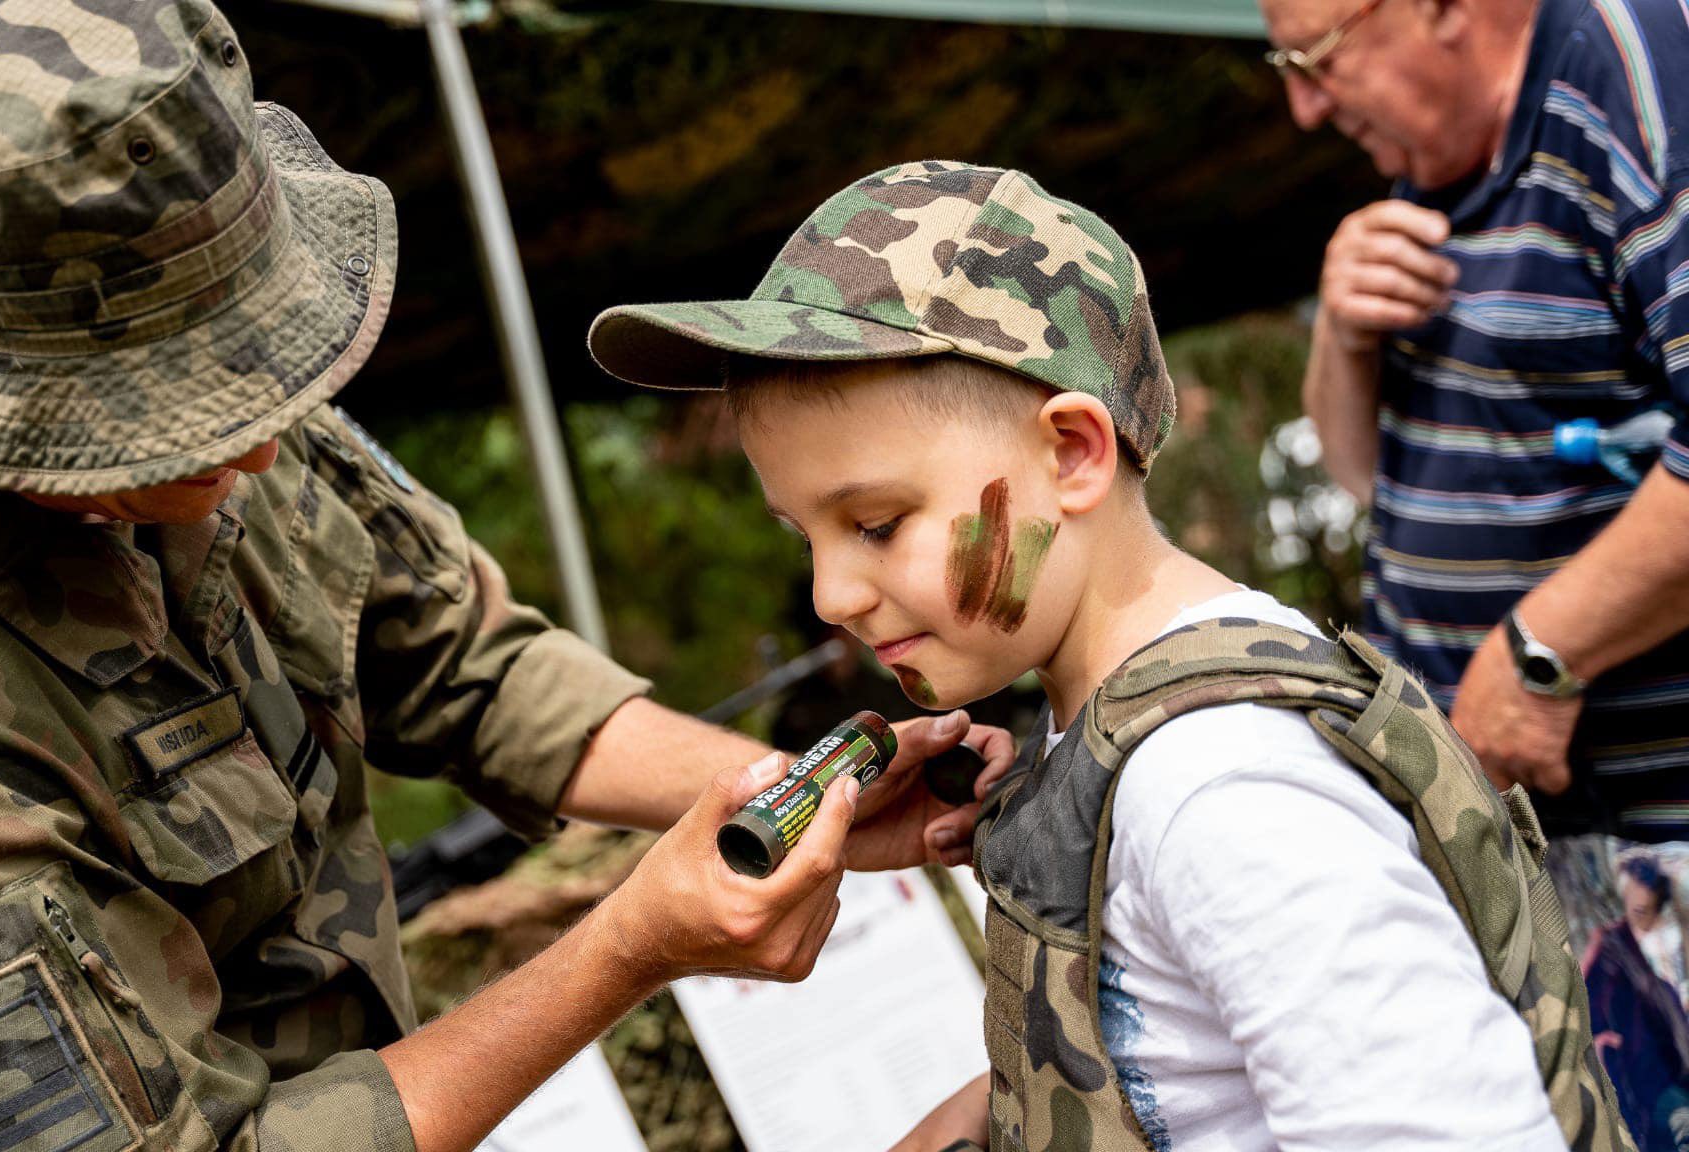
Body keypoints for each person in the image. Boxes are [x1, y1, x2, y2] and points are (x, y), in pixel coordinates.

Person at [0, 5, 1007, 1151]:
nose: (253, 444)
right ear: (5, 410)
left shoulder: (223, 419)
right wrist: (624, 947)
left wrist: (778, 798)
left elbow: (464, 662)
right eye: (174, 414)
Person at [589, 161, 1625, 1151]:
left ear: (1072, 453)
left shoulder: (1222, 790)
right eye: (800, 536)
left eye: (873, 523)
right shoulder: (1115, 733)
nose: (829, 595)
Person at [1255, 0, 1689, 839]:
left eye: (1318, 60)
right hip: (1533, 838)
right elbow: (1368, 479)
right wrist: (1343, 341)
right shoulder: (1439, 149)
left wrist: (1539, 655)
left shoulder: (1643, 91)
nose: (1305, 110)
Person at [1587, 856, 1689, 1149]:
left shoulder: (1662, 950)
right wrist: (1603, 1043)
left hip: (1674, 1073)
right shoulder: (1612, 945)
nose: (1646, 917)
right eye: (1639, 909)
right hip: (1647, 1082)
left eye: (1651, 909)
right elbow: (1585, 1004)